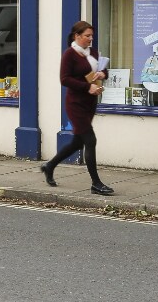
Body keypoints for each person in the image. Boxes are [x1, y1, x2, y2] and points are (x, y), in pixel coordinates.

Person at [40, 20, 113, 195]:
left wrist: (103, 74)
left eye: (91, 36)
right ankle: (96, 183)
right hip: (75, 104)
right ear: (77, 36)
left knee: (77, 142)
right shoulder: (69, 55)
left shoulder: (93, 52)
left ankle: (49, 166)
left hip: (90, 103)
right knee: (90, 140)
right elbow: (64, 79)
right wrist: (87, 87)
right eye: (87, 36)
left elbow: (104, 71)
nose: (90, 39)